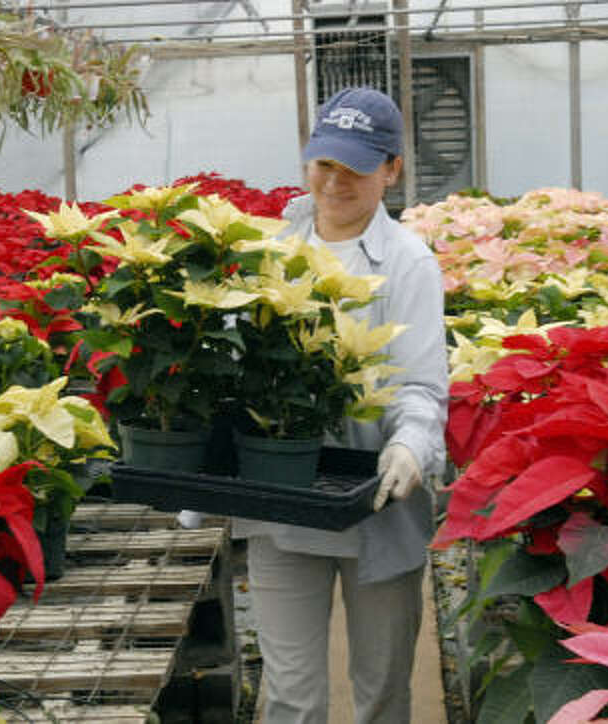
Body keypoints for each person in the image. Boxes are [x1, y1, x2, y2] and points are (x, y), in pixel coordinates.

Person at [233, 86, 449, 724]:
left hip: (377, 502)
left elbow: (421, 384)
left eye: (358, 165)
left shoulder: (409, 263)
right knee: (291, 693)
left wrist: (410, 447)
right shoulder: (271, 252)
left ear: (392, 170)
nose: (337, 180)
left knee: (381, 691)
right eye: (326, 162)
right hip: (283, 500)